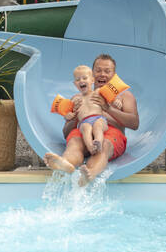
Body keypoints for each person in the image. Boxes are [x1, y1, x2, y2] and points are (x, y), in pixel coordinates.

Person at [44, 54, 139, 186]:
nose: (102, 74)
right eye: (98, 70)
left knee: (104, 145)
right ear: (92, 75)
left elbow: (134, 123)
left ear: (114, 74)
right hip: (84, 131)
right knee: (74, 142)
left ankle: (90, 173)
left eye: (107, 71)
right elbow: (66, 133)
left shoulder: (123, 96)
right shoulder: (78, 98)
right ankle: (67, 164)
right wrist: (75, 116)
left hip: (111, 135)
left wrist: (107, 109)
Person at [64, 65, 122, 156]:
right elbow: (68, 114)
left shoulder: (98, 92)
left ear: (92, 80)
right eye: (78, 79)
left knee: (97, 125)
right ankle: (91, 147)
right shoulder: (75, 99)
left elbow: (110, 98)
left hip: (98, 118)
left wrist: (116, 101)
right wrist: (68, 116)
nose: (81, 81)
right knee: (85, 128)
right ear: (75, 83)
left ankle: (98, 142)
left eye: (84, 78)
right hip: (84, 121)